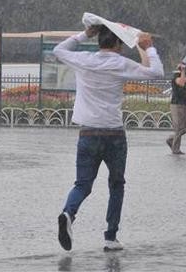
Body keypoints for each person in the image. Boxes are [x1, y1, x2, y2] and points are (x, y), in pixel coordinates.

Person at [53, 24, 164, 252]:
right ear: (117, 44)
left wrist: (85, 34)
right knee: (116, 184)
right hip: (113, 133)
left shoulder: (84, 59)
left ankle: (68, 213)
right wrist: (149, 48)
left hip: (88, 132)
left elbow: (59, 50)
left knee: (82, 184)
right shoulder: (120, 63)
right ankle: (110, 237)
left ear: (99, 41)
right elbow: (157, 73)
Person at [165, 62, 186, 155]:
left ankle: (171, 139)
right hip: (176, 105)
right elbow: (181, 83)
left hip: (184, 105)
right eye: (183, 68)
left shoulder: (185, 78)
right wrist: (182, 71)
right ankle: (176, 149)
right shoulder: (176, 77)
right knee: (179, 127)